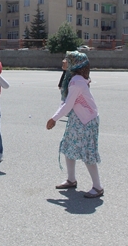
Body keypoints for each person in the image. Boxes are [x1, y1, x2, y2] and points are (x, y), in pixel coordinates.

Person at [46, 51, 104, 198]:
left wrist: (54, 119)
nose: (64, 61)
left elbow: (68, 104)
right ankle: (71, 180)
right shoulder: (71, 78)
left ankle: (97, 187)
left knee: (87, 152)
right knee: (68, 147)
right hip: (78, 118)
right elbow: (65, 102)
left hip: (87, 120)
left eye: (67, 59)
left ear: (75, 64)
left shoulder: (76, 81)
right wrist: (56, 116)